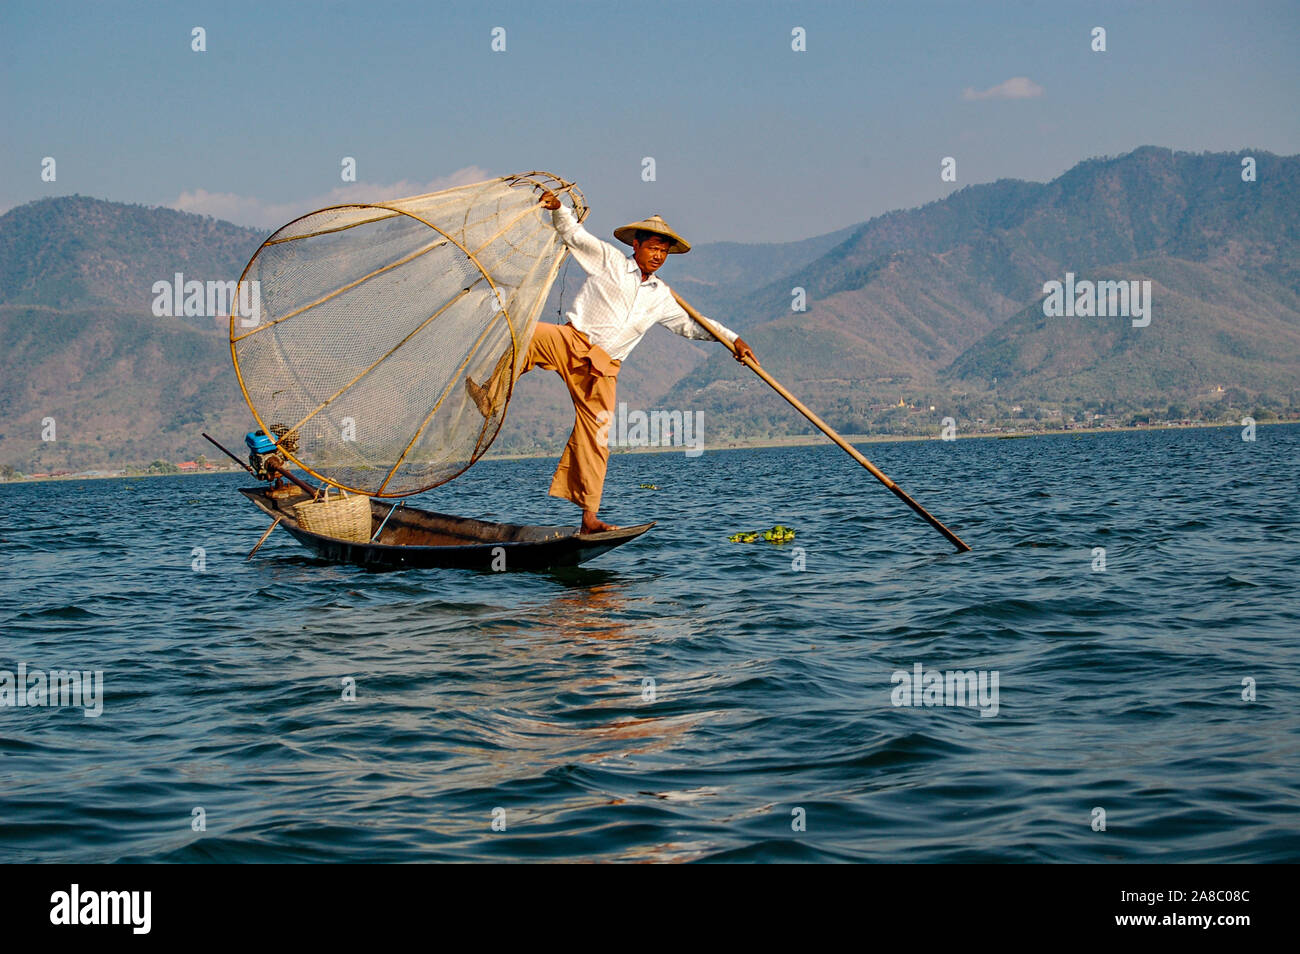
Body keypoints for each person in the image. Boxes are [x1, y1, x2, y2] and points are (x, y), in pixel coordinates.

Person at [466, 189, 755, 534]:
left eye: (664, 251)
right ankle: (491, 396)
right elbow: (574, 235)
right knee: (523, 336)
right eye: (653, 248)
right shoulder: (611, 261)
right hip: (572, 341)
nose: (658, 256)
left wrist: (732, 340)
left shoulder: (660, 296)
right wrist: (559, 209)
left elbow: (693, 325)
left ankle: (589, 519)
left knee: (597, 438)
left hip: (604, 369)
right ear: (636, 246)